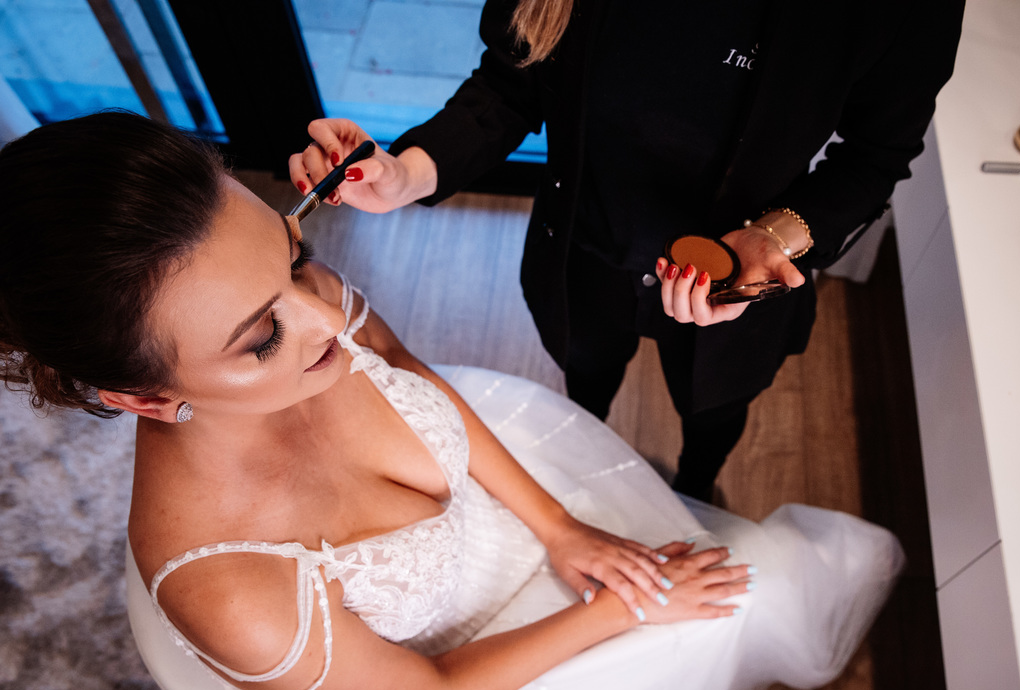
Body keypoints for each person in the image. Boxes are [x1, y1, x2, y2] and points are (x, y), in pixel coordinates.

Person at [0, 112, 902, 690]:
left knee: (742, 586)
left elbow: (404, 366)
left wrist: (564, 527)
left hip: (518, 522)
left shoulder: (308, 313)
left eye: (294, 255)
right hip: (482, 669)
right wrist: (625, 608)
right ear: (144, 398)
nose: (328, 318)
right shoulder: (229, 589)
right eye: (261, 337)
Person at [288, 0, 965, 501]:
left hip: (733, 280)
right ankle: (589, 464)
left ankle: (698, 490)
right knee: (585, 380)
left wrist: (773, 238)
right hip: (582, 247)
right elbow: (511, 83)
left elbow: (875, 155)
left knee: (715, 409)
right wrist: (406, 173)